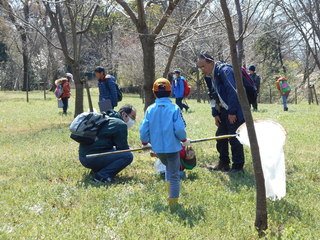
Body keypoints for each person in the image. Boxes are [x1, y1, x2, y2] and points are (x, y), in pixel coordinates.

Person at [140, 78, 190, 208]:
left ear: (154, 93)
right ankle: (173, 204)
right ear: (170, 92)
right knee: (174, 176)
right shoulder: (174, 108)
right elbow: (179, 129)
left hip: (158, 149)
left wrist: (145, 143)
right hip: (173, 148)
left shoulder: (150, 109)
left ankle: (170, 196)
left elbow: (143, 129)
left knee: (168, 169)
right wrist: (184, 140)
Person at [197, 53, 245, 173]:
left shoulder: (225, 71)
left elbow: (233, 91)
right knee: (220, 136)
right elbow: (212, 96)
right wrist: (215, 113)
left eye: (203, 66)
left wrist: (232, 112)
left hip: (235, 109)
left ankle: (238, 166)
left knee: (234, 138)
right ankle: (224, 163)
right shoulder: (208, 77)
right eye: (200, 67)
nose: (202, 70)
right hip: (222, 111)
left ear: (210, 62)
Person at [78, 104, 136, 183]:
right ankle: (102, 176)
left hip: (83, 157)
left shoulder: (107, 117)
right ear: (123, 114)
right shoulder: (120, 125)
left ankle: (96, 171)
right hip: (91, 158)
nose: (133, 120)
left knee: (115, 151)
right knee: (128, 156)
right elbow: (123, 149)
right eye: (132, 117)